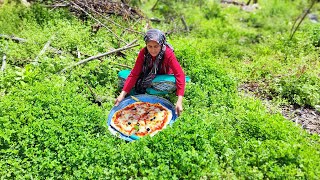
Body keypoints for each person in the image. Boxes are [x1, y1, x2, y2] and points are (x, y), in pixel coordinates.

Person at [115, 29, 186, 116]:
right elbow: (134, 73)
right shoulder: (143, 53)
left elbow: (179, 74)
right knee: (122, 75)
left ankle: (146, 88)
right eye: (150, 46)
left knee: (172, 83)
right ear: (146, 45)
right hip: (146, 76)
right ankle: (150, 89)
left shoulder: (168, 53)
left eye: (156, 46)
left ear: (161, 44)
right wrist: (122, 94)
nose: (153, 50)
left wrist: (179, 100)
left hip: (162, 78)